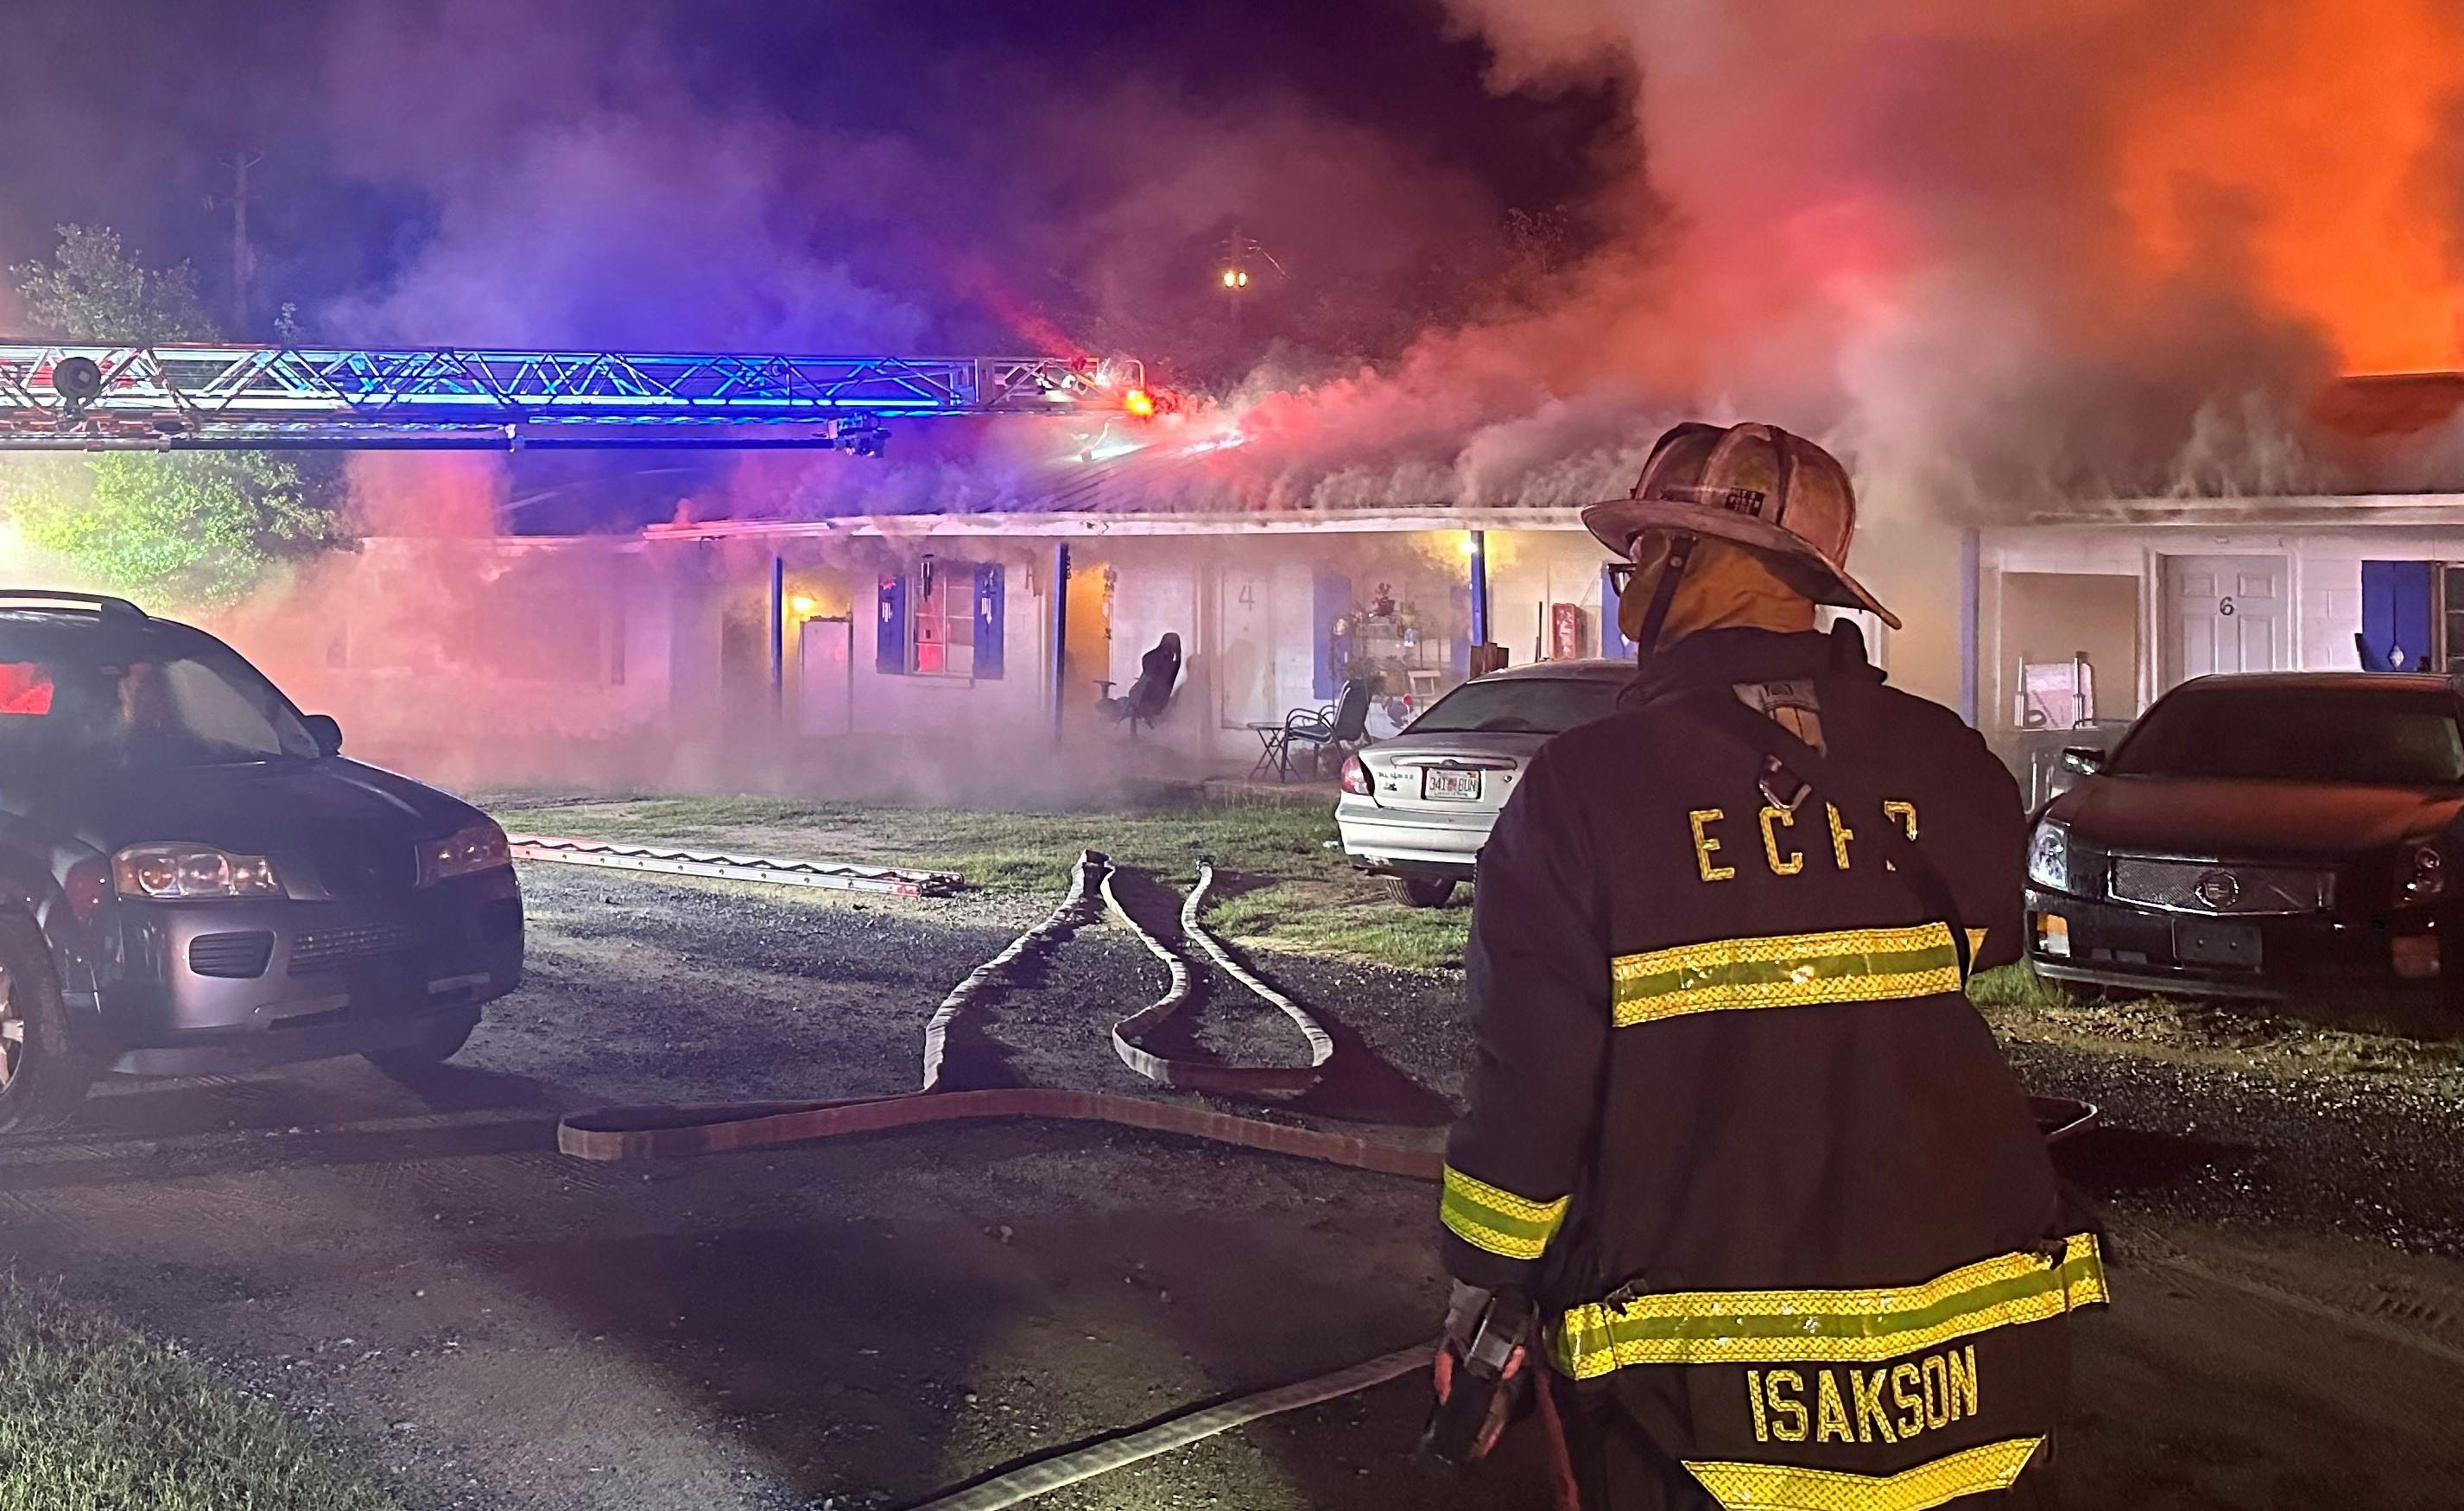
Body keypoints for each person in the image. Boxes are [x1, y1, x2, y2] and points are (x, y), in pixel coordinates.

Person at [1435, 422, 2106, 1508]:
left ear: (1693, 563)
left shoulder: (1585, 789)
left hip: (1700, 1404)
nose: (1626, 583)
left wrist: (1486, 1283)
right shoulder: (1950, 762)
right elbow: (1978, 944)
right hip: (1973, 1380)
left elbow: (1532, 1084)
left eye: (1643, 554)